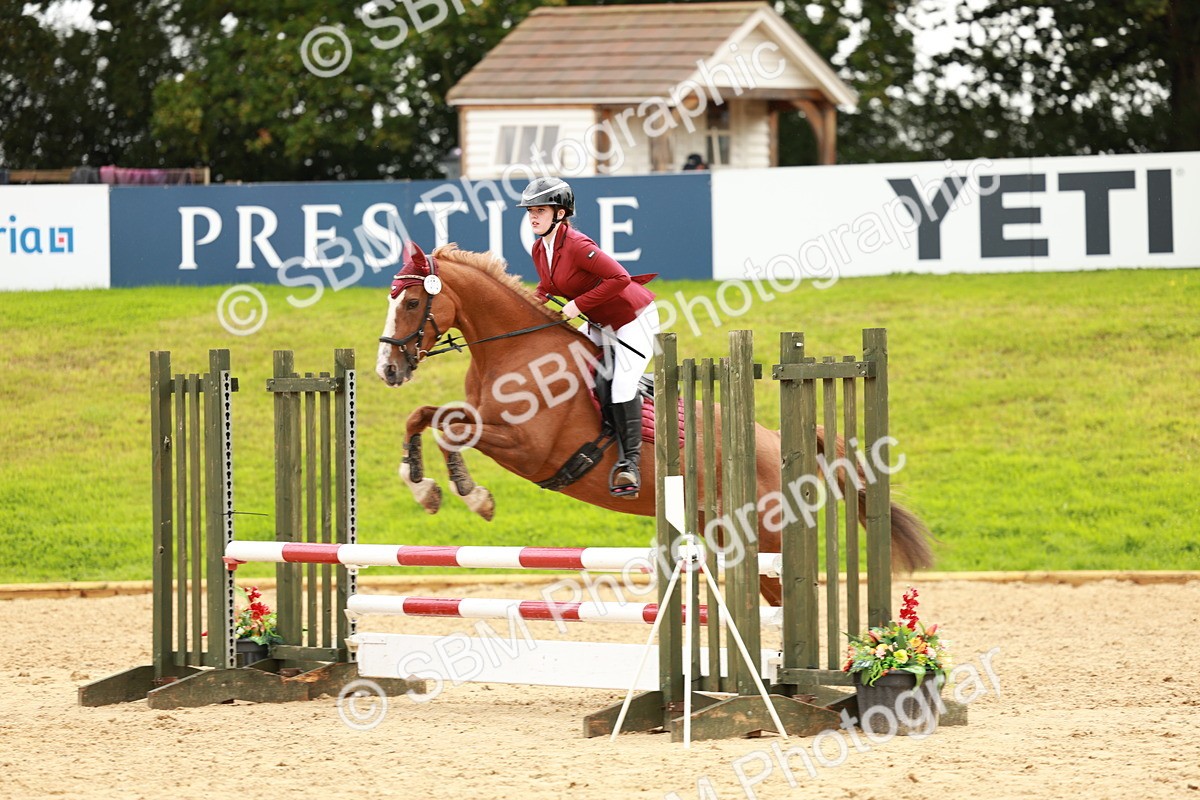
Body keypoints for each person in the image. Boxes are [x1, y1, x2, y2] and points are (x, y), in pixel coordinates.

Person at [518, 176, 660, 499]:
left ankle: (631, 464)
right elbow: (545, 289)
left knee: (622, 383)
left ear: (560, 213)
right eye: (530, 212)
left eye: (540, 210)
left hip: (632, 319)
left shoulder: (578, 245)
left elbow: (620, 278)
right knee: (587, 373)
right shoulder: (541, 248)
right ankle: (608, 434)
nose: (533, 217)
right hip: (599, 322)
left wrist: (578, 305)